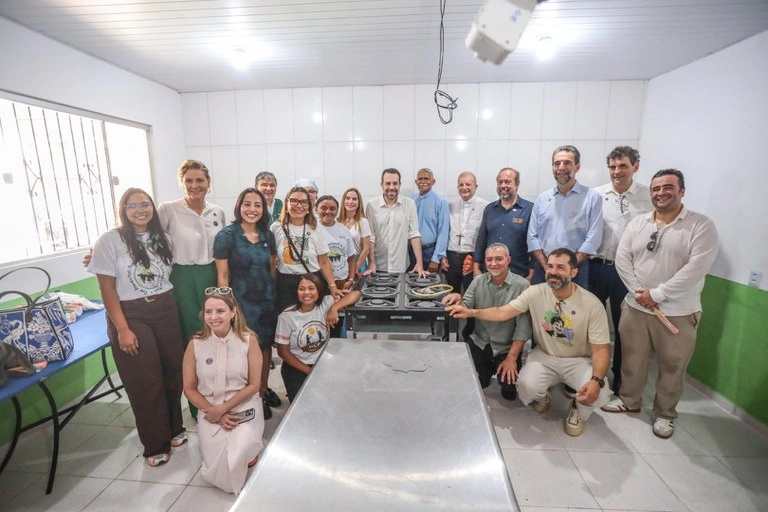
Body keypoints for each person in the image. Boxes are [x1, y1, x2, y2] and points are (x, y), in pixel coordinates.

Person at [602, 169, 719, 439]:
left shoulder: (700, 226)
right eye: (656, 189)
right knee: (632, 359)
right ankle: (629, 400)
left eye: (668, 188)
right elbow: (622, 259)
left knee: (672, 364)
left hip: (677, 311)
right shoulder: (639, 223)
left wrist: (657, 294)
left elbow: (695, 269)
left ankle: (665, 413)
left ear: (682, 191)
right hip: (635, 306)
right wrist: (638, 292)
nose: (661, 193)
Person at [446, 248, 612, 437]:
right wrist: (472, 312)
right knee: (525, 387)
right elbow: (503, 312)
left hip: (578, 360)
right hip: (545, 356)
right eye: (550, 266)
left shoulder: (592, 304)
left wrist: (596, 379)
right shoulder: (535, 292)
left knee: (600, 390)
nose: (553, 272)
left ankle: (578, 410)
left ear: (574, 272)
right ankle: (543, 394)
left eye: (561, 267)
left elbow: (601, 350)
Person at [87, 188, 185, 466]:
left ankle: (174, 428)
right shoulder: (110, 240)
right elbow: (106, 289)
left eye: (145, 204)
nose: (140, 209)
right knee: (145, 381)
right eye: (133, 205)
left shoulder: (163, 238)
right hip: (131, 313)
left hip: (166, 308)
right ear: (123, 210)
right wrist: (122, 329)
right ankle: (155, 443)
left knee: (172, 372)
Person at [157, 159, 227, 419]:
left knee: (216, 331)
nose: (194, 185)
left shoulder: (216, 212)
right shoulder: (168, 210)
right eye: (189, 181)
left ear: (208, 183)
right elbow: (142, 234)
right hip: (184, 276)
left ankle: (219, 392)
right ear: (181, 183)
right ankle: (197, 403)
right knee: (193, 336)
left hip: (211, 273)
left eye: (200, 180)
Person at [182, 290, 264, 493]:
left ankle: (250, 449)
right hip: (209, 407)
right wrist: (213, 412)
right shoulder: (195, 344)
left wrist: (224, 409)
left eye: (220, 311)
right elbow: (189, 388)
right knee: (217, 468)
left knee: (236, 457)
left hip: (243, 402)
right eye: (208, 311)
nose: (213, 317)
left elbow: (254, 384)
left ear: (233, 312)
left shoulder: (248, 339)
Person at [588, 147, 652, 394]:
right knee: (588, 323)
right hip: (595, 267)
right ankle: (588, 373)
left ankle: (620, 383)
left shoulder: (648, 197)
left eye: (622, 166)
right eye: (613, 167)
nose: (617, 172)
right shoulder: (596, 195)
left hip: (627, 273)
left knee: (624, 327)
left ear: (635, 166)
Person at [213, 188, 281, 421]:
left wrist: (275, 298)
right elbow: (222, 276)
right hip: (241, 304)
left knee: (264, 349)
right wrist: (227, 308)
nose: (252, 209)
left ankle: (262, 391)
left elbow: (272, 268)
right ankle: (246, 398)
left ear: (263, 209)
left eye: (257, 205)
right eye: (247, 204)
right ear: (239, 206)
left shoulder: (267, 235)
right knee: (244, 352)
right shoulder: (227, 235)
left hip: (267, 302)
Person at [442, 243, 531, 400]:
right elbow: (466, 305)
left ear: (508, 260)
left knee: (509, 389)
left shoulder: (523, 286)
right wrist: (458, 299)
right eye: (489, 259)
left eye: (498, 259)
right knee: (477, 382)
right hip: (480, 341)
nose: (493, 263)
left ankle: (499, 370)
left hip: (505, 347)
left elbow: (523, 328)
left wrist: (511, 358)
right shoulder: (478, 281)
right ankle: (485, 371)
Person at [275, 274, 360, 402]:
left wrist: (334, 308)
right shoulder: (287, 317)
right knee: (302, 405)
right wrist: (309, 371)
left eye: (311, 288)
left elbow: (356, 294)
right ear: (296, 292)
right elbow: (283, 351)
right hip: (297, 368)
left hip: (321, 364)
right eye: (302, 289)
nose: (306, 293)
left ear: (318, 291)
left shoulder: (325, 304)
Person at [527, 146, 603, 287]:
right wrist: (547, 266)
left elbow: (594, 238)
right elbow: (532, 237)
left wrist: (569, 267)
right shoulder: (542, 199)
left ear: (577, 166)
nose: (561, 167)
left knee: (574, 308)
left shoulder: (592, 198)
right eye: (557, 163)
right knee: (540, 307)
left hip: (576, 270)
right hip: (543, 269)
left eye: (567, 163)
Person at [271, 186, 340, 312]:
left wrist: (332, 285)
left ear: (309, 207)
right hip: (286, 283)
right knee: (287, 323)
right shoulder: (276, 228)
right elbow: (272, 261)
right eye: (294, 201)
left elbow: (324, 261)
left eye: (304, 202)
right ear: (286, 204)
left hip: (313, 280)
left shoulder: (315, 228)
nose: (299, 205)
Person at [473, 167, 533, 281]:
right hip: (490, 273)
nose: (503, 185)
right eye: (500, 182)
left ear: (517, 184)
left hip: (518, 274)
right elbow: (481, 240)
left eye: (508, 182)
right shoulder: (489, 209)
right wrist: (476, 267)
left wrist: (532, 273)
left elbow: (533, 244)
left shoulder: (529, 209)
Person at [365, 168, 425, 275]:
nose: (391, 187)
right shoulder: (371, 205)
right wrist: (371, 262)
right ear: (381, 185)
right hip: (378, 266)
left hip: (401, 266)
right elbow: (371, 237)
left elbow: (414, 234)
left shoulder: (409, 204)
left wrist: (419, 263)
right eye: (388, 183)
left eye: (395, 183)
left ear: (400, 184)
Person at [443, 171, 489, 294]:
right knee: (452, 293)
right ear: (457, 187)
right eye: (461, 185)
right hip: (452, 256)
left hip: (472, 257)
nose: (464, 188)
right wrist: (444, 255)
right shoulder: (451, 206)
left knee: (472, 294)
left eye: (468, 184)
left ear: (476, 187)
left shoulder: (486, 206)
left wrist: (479, 261)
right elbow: (444, 232)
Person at [410, 168, 449, 273]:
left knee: (430, 287)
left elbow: (443, 232)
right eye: (420, 179)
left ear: (433, 181)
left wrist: (436, 259)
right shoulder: (411, 201)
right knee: (412, 285)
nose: (423, 182)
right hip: (412, 252)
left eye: (426, 179)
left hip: (430, 252)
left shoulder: (440, 202)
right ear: (416, 182)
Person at [338, 187, 375, 275]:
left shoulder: (363, 222)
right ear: (343, 201)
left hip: (358, 263)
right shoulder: (337, 222)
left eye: (354, 199)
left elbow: (366, 249)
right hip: (339, 264)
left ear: (359, 203)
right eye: (347, 198)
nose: (350, 201)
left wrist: (355, 268)